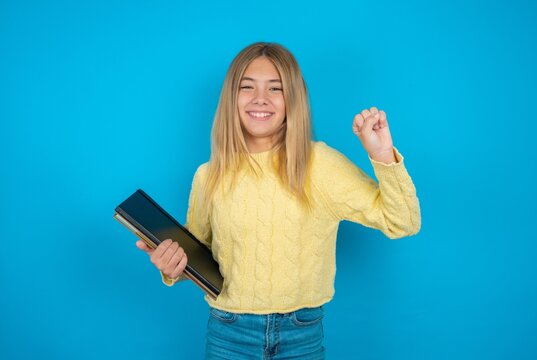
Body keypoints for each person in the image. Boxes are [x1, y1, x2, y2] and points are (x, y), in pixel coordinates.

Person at [136, 42, 421, 359]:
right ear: (232, 98)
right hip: (228, 334)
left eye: (276, 88)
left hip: (301, 334)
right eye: (247, 87)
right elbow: (197, 255)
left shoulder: (320, 165)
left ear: (292, 100)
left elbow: (403, 221)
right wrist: (172, 265)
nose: (260, 99)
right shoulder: (209, 175)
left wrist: (381, 154)